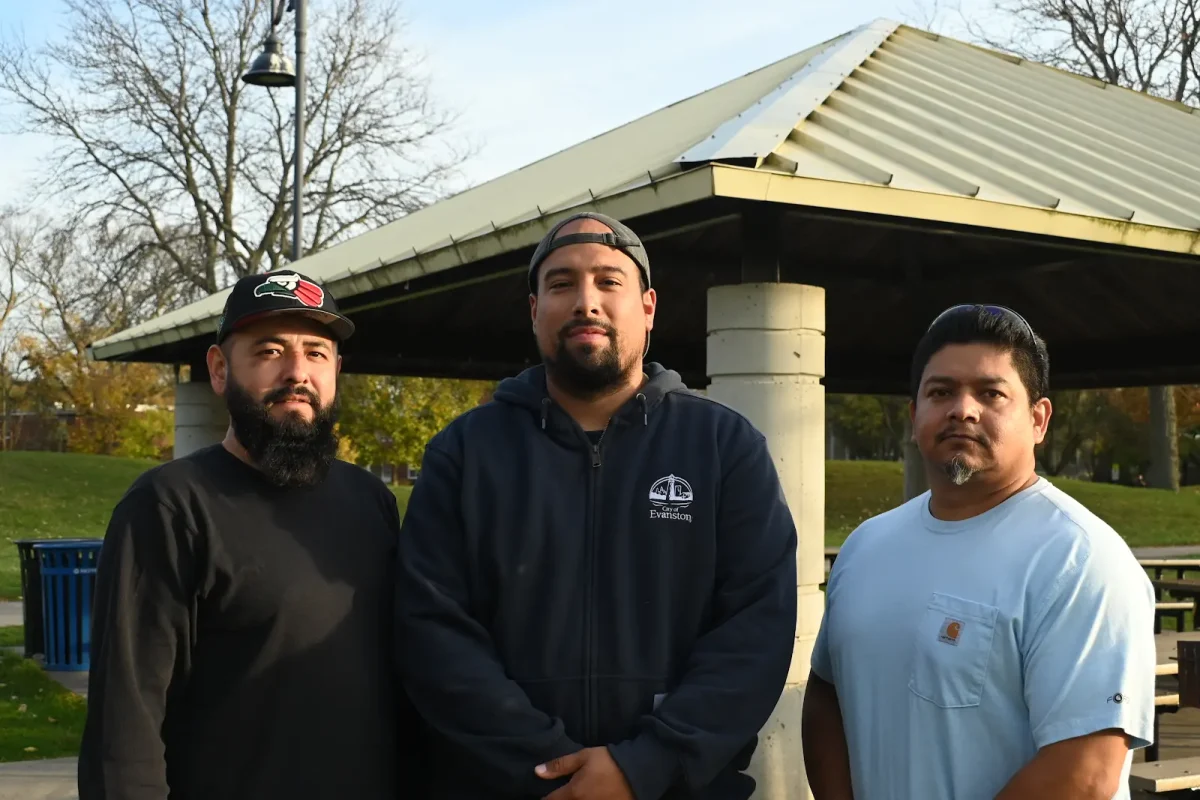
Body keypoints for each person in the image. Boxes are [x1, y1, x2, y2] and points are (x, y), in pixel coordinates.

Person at [395, 211, 798, 800]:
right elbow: (432, 633)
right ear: (534, 310)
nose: (587, 302)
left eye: (609, 282)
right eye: (561, 284)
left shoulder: (725, 448)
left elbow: (755, 632)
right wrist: (551, 769)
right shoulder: (464, 453)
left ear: (649, 307)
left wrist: (645, 766)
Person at [79, 270, 423, 800]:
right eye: (269, 351)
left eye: (316, 353)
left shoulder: (371, 501)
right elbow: (124, 726)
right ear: (219, 370)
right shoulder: (170, 507)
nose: (297, 372)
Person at [802, 304, 1156, 800]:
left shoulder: (1080, 560)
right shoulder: (867, 546)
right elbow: (827, 695)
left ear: (1038, 419)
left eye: (991, 393)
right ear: (914, 415)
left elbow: (1085, 774)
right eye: (941, 392)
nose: (962, 409)